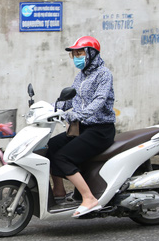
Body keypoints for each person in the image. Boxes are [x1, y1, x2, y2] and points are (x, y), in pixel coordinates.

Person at [47, 36, 116, 218]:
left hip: (100, 130)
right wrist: (52, 109)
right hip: (82, 127)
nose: (76, 57)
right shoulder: (82, 75)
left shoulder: (104, 74)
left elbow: (99, 101)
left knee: (63, 157)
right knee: (50, 147)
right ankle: (59, 191)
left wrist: (79, 114)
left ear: (91, 54)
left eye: (80, 53)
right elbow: (72, 98)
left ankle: (89, 198)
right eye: (74, 54)